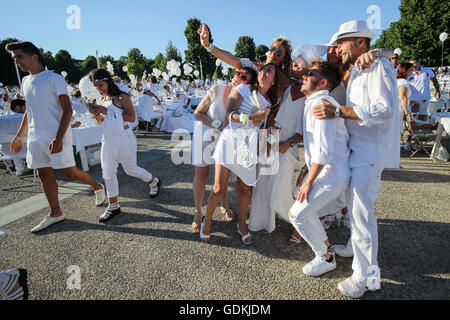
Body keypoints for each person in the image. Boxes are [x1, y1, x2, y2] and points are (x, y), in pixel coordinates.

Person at [312, 20, 400, 298]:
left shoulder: (377, 66)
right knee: (353, 209)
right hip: (357, 152)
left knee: (362, 216)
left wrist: (338, 113)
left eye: (342, 42)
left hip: (369, 154)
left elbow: (384, 109)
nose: (337, 48)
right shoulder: (360, 66)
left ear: (361, 41)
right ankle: (353, 248)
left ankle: (365, 278)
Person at [7, 41, 107, 233]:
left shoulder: (53, 79)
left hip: (56, 134)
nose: (17, 62)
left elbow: (68, 110)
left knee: (70, 172)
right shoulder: (26, 81)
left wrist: (59, 138)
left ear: (34, 57)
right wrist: (20, 136)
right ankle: (56, 212)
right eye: (14, 59)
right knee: (44, 174)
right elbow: (30, 111)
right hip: (36, 136)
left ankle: (97, 186)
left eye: (19, 57)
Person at [200, 64, 282, 244]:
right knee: (218, 188)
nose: (263, 72)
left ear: (274, 80)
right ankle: (207, 221)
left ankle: (242, 225)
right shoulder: (243, 88)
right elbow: (230, 114)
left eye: (269, 71)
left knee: (244, 190)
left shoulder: (271, 103)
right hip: (230, 140)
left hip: (250, 147)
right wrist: (250, 118)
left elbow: (268, 131)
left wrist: (272, 142)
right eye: (262, 69)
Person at [288, 60, 348, 277]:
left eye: (309, 73)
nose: (303, 75)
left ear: (322, 82)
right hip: (327, 173)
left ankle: (325, 257)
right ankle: (327, 251)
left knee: (297, 214)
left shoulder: (321, 104)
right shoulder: (315, 102)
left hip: (331, 175)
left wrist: (307, 182)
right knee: (304, 212)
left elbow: (323, 153)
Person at [88, 69, 161, 222]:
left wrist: (105, 111)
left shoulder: (122, 96)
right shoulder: (102, 100)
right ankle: (113, 205)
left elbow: (131, 117)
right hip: (108, 139)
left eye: (101, 85)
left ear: (108, 81)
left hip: (124, 138)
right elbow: (102, 122)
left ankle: (154, 181)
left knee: (130, 169)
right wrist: (97, 114)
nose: (99, 89)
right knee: (107, 172)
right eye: (96, 87)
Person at [191, 68, 255, 232]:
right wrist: (216, 126)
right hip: (204, 134)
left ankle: (224, 205)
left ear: (249, 84)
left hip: (224, 139)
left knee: (223, 177)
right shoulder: (217, 90)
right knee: (202, 174)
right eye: (237, 73)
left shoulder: (245, 99)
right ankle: (198, 212)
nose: (238, 77)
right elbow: (198, 113)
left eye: (244, 77)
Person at [197, 24, 293, 84]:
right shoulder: (252, 66)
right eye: (272, 48)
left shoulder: (284, 79)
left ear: (284, 59)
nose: (273, 53)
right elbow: (233, 60)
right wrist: (208, 46)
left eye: (279, 52)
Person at [397, 63, 414, 150]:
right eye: (411, 69)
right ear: (405, 71)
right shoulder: (403, 82)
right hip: (400, 108)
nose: (412, 71)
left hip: (397, 107)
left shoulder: (397, 80)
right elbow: (403, 97)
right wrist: (407, 112)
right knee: (397, 130)